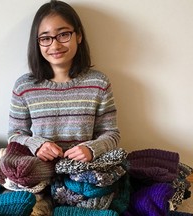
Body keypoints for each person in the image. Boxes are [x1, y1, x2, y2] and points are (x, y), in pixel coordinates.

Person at [8, 0, 120, 163]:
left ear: (79, 35)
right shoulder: (24, 86)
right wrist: (36, 145)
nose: (55, 45)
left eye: (63, 34)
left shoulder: (98, 83)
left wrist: (92, 149)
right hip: (39, 172)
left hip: (86, 173)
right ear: (37, 42)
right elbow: (14, 135)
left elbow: (111, 134)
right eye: (45, 38)